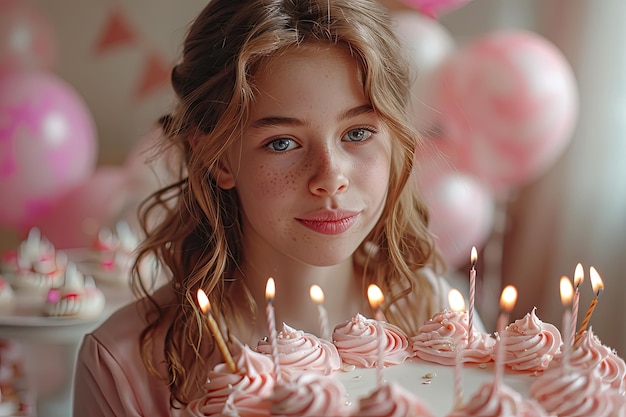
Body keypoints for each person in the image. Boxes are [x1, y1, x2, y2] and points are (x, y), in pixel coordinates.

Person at [73, 0, 454, 415]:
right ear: (217, 158)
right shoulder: (124, 363)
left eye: (358, 132)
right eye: (282, 143)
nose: (329, 176)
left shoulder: (437, 318)